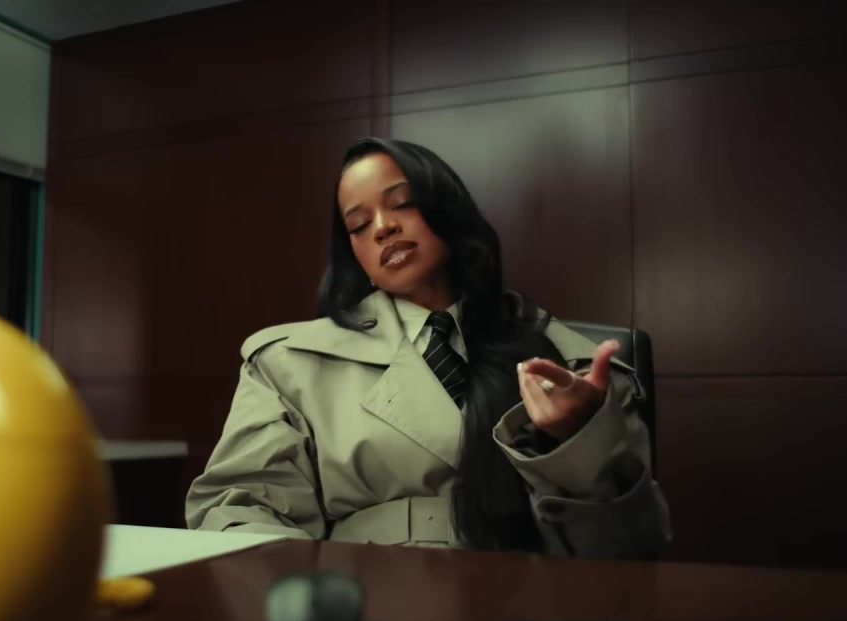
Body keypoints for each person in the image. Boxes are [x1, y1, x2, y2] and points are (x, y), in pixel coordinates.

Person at [185, 138, 670, 556]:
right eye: (359, 225)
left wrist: (576, 439)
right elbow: (242, 507)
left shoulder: (570, 363)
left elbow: (631, 547)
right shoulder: (288, 363)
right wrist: (310, 600)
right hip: (364, 602)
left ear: (448, 208)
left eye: (402, 203)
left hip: (529, 605)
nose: (383, 227)